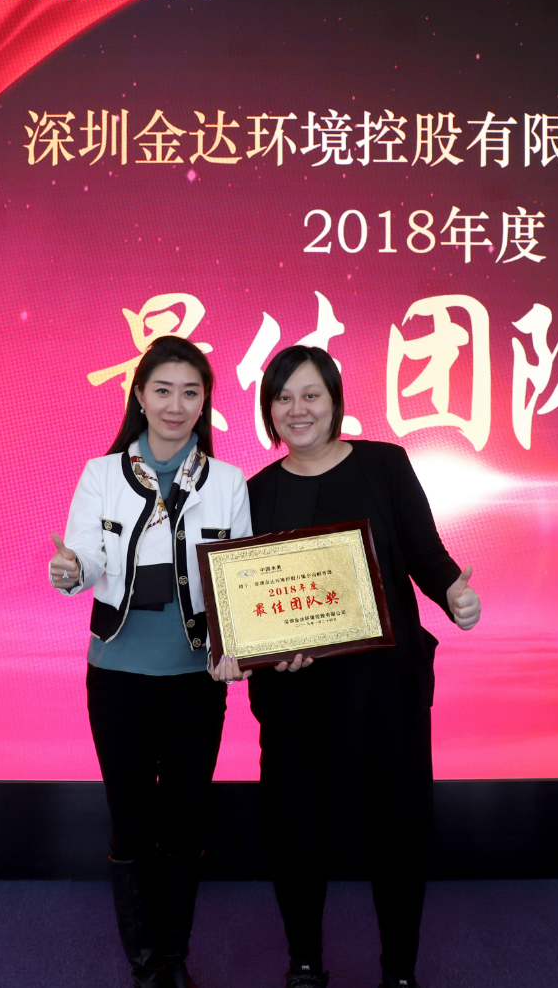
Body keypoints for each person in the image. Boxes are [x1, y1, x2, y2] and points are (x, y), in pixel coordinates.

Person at [246, 345, 479, 988]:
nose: (298, 409)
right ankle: (304, 964)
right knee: (295, 828)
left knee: (396, 828)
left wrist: (454, 595)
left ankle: (398, 972)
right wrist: (260, 650)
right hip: (296, 693)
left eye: (311, 395)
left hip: (382, 689)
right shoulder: (255, 492)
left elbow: (425, 552)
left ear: (335, 401)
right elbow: (248, 595)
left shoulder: (384, 464)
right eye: (283, 397)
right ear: (268, 409)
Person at [49, 335, 251, 988]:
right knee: (133, 822)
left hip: (197, 681)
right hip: (117, 678)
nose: (175, 405)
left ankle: (176, 957)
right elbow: (86, 552)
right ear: (139, 395)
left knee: (185, 823)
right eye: (162, 390)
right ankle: (146, 966)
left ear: (204, 404)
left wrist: (237, 647)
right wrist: (72, 569)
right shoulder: (101, 474)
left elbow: (241, 577)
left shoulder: (228, 482)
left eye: (190, 393)